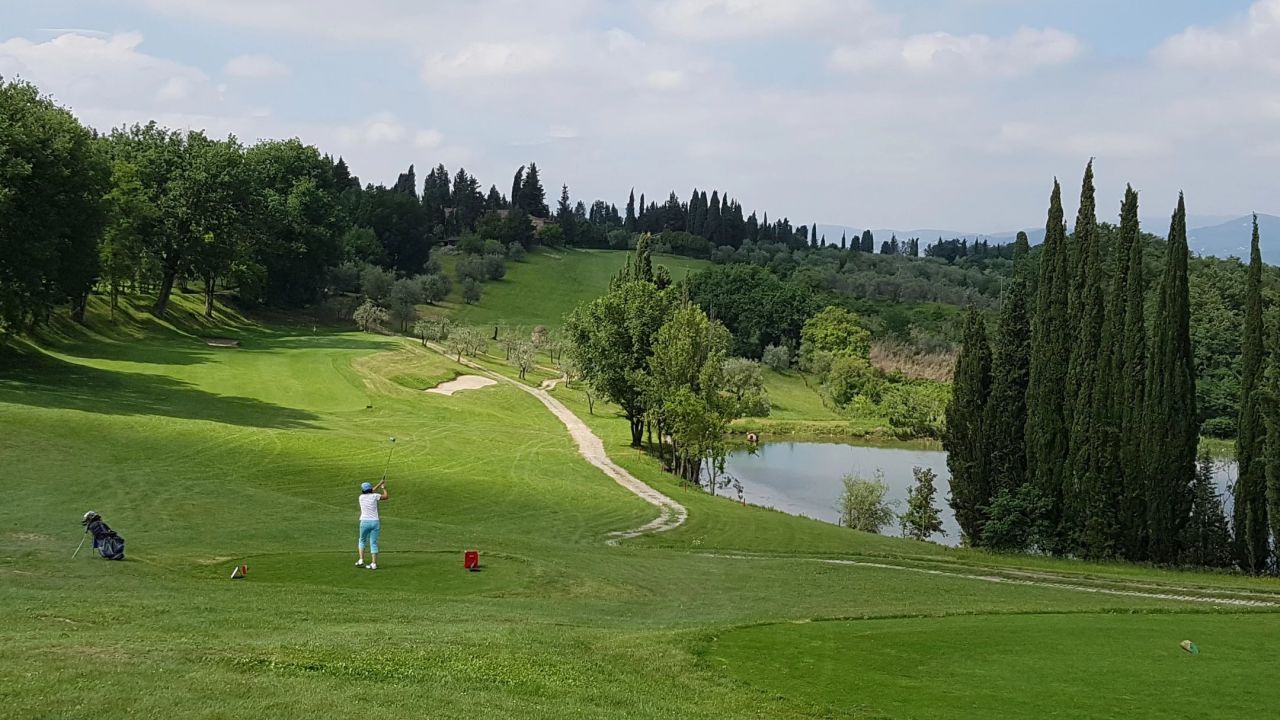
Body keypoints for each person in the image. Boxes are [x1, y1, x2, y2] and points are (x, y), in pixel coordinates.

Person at [356, 479, 388, 570]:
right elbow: (386, 496)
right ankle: (373, 564)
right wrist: (383, 487)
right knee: (373, 543)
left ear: (363, 490)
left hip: (364, 522)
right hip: (375, 522)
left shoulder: (361, 497)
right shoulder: (375, 496)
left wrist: (379, 484)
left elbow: (370, 491)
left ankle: (361, 560)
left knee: (362, 540)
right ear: (370, 489)